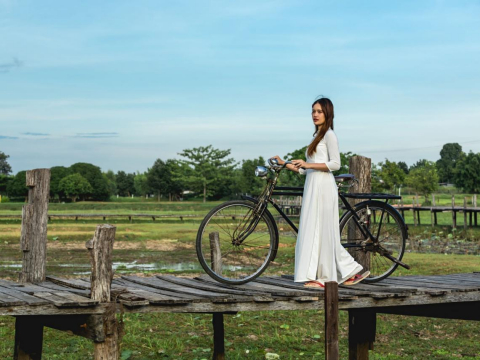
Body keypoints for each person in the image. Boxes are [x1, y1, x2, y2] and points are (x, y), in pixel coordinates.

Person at [272, 97, 369, 288]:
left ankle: (324, 278)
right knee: (314, 230)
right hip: (312, 186)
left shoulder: (329, 135)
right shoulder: (316, 136)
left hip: (324, 188)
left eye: (319, 111)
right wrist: (284, 163)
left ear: (327, 114)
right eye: (313, 111)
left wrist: (308, 163)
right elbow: (305, 170)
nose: (315, 115)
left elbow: (335, 164)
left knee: (323, 231)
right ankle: (349, 272)